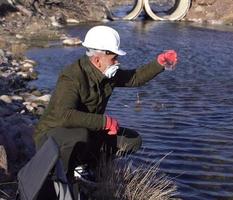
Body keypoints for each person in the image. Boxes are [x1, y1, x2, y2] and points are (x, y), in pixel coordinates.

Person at [33, 25, 178, 182]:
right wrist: (104, 122)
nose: (117, 62)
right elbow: (65, 115)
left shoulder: (107, 73)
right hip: (51, 137)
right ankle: (62, 176)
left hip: (87, 130)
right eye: (114, 58)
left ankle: (88, 166)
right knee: (80, 135)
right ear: (97, 59)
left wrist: (159, 64)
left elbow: (134, 78)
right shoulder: (71, 77)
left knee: (132, 141)